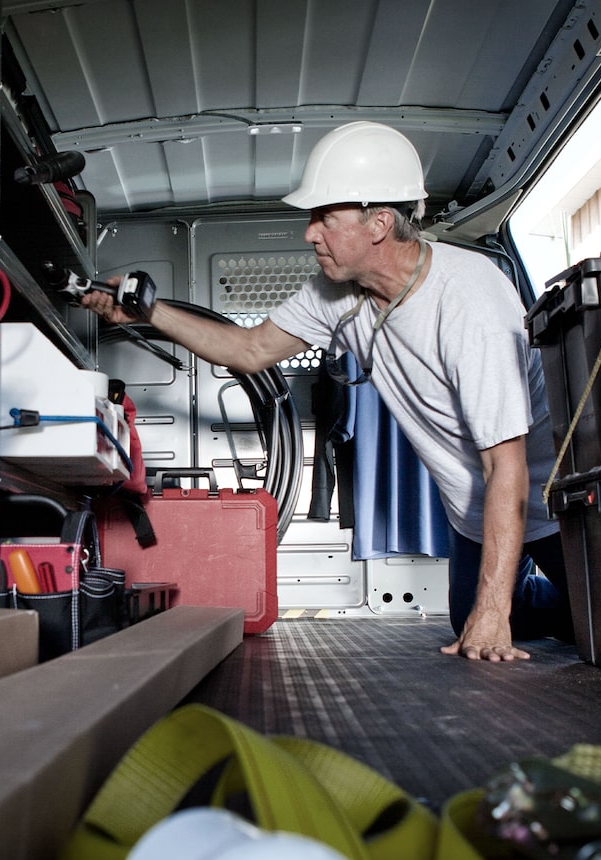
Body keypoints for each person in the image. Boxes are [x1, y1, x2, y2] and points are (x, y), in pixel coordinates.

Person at [82, 120, 573, 663]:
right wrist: (147, 309)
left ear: (379, 223)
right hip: (473, 509)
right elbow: (247, 350)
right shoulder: (335, 293)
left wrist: (493, 613)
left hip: (548, 499)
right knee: (471, 616)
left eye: (325, 218)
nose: (309, 232)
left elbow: (508, 466)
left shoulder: (470, 299)